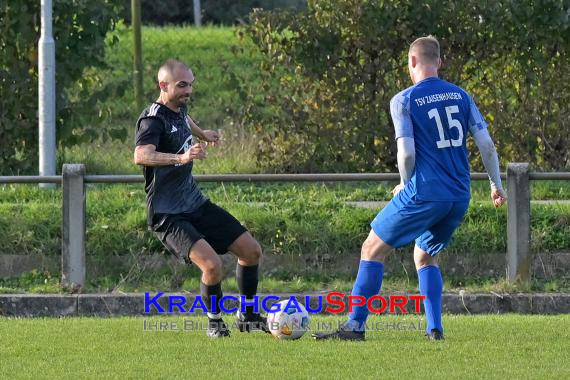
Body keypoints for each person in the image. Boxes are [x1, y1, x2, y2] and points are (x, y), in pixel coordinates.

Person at [313, 36, 507, 341]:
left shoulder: (404, 99)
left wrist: (404, 184)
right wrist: (496, 185)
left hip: (425, 191)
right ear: (439, 62)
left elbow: (406, 153)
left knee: (371, 249)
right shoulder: (461, 95)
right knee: (425, 255)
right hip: (459, 196)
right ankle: (434, 329)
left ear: (411, 62)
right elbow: (487, 145)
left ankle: (354, 326)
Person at [134, 59, 269, 338]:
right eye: (182, 85)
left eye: (191, 85)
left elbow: (184, 120)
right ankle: (215, 323)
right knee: (212, 266)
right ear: (163, 86)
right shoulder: (152, 119)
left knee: (251, 251)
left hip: (195, 203)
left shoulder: (179, 108)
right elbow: (141, 155)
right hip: (167, 214)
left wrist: (203, 134)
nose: (189, 91)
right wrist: (180, 157)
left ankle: (248, 316)